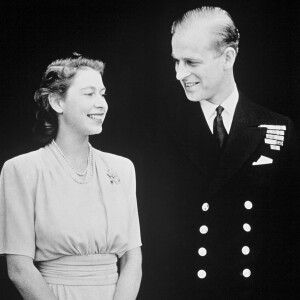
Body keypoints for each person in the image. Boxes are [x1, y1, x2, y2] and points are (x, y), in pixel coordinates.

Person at [141, 6, 298, 299]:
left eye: (191, 62)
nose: (179, 74)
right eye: (176, 61)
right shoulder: (158, 130)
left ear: (228, 57)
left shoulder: (279, 128)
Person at [0, 56, 142, 300]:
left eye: (103, 93)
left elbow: (132, 259)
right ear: (57, 102)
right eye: (89, 94)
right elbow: (19, 269)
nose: (101, 104)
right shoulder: (22, 169)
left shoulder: (122, 169)